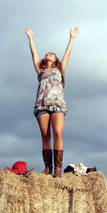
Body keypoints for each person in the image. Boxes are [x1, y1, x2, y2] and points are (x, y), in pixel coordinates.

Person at [24, 27, 80, 177]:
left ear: (56, 60)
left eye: (52, 54)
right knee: (45, 135)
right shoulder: (40, 70)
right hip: (41, 104)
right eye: (47, 53)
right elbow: (34, 54)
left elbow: (67, 54)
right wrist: (30, 38)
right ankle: (48, 168)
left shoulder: (60, 69)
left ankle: (58, 169)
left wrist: (72, 38)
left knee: (58, 134)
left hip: (58, 104)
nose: (48, 54)